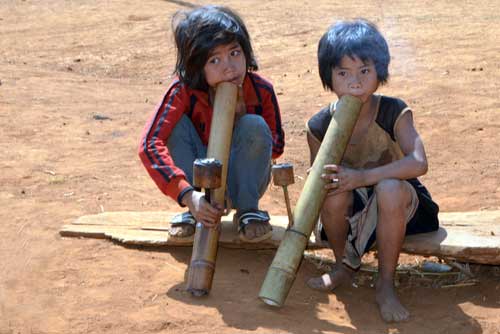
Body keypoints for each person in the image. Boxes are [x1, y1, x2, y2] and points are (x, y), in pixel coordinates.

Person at [305, 19, 439, 322]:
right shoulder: (319, 125)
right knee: (332, 192)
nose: (355, 82)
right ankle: (343, 265)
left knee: (388, 188)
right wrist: (343, 183)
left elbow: (419, 162)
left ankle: (386, 284)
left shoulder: (393, 110)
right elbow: (317, 180)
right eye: (343, 73)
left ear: (380, 71)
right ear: (329, 77)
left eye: (364, 71)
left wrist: (362, 177)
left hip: (404, 208)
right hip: (354, 213)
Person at [138, 5, 284, 243]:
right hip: (197, 186)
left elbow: (275, 147)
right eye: (214, 60)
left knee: (255, 125)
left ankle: (248, 212)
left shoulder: (261, 90)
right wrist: (186, 194)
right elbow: (149, 144)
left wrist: (240, 124)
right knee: (174, 128)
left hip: (243, 182)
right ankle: (195, 210)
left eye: (235, 53)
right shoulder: (182, 91)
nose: (228, 67)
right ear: (196, 67)